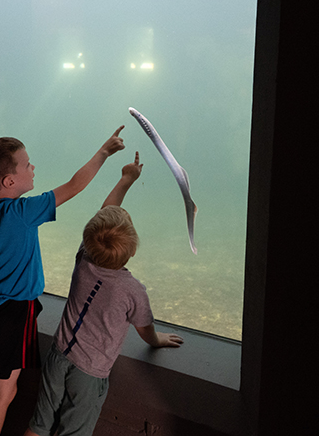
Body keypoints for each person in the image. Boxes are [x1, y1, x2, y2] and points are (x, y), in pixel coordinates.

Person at [0, 127, 127, 436]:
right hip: (15, 312)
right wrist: (104, 152)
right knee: (4, 393)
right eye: (27, 164)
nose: (33, 167)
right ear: (9, 181)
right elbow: (74, 186)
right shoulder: (23, 212)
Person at [25, 151, 184, 436]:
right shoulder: (132, 290)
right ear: (132, 251)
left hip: (58, 354)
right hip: (88, 373)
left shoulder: (84, 259)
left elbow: (104, 214)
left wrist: (125, 179)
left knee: (39, 425)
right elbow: (145, 329)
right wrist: (157, 340)